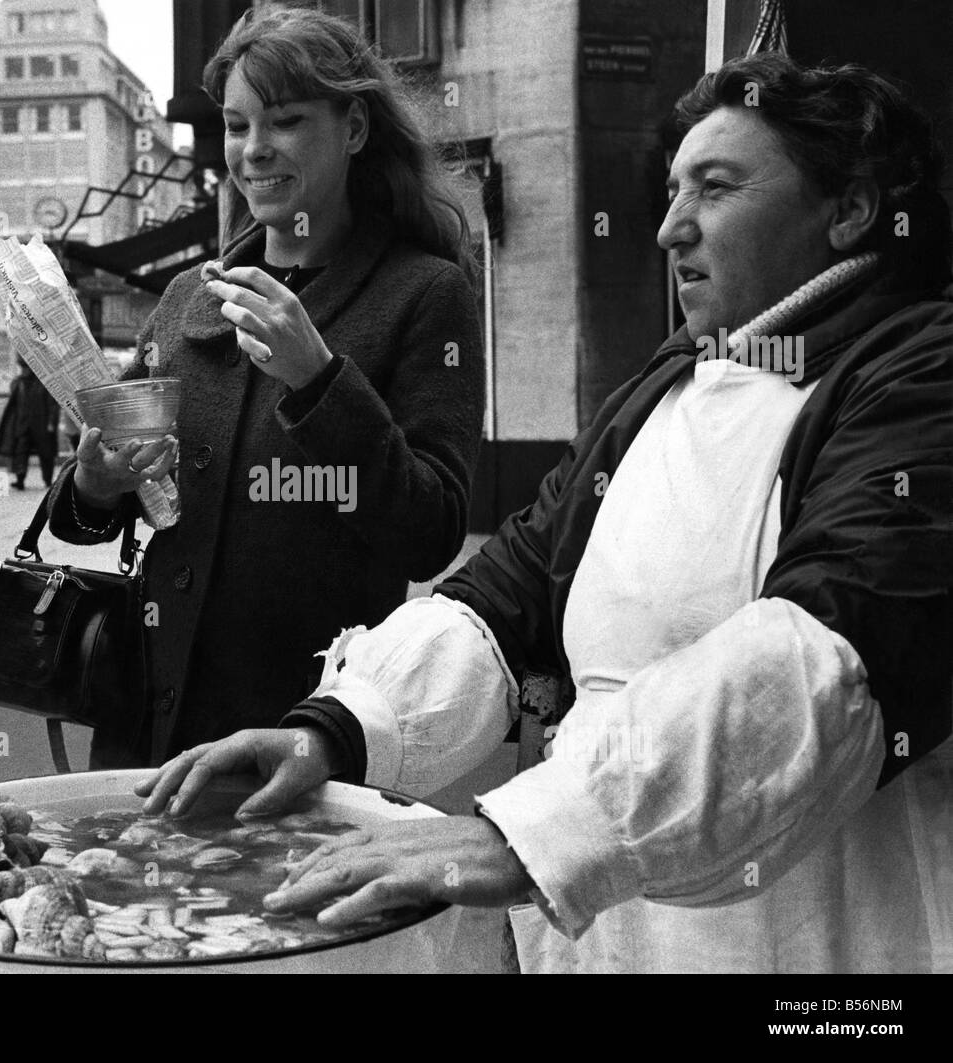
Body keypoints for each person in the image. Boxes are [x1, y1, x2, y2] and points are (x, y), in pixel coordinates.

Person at [138, 54, 953, 974]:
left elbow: (825, 655)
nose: (668, 228)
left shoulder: (924, 374)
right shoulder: (665, 384)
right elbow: (505, 592)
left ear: (847, 209)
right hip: (612, 936)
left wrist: (530, 834)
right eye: (673, 189)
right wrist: (334, 727)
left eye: (716, 189)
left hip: (820, 948)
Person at [45, 5, 486, 767]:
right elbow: (90, 532)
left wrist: (319, 381)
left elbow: (432, 530)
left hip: (297, 744)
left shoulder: (425, 293)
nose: (253, 151)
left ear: (352, 129)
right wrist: (91, 484)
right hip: (146, 733)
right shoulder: (188, 295)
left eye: (283, 121)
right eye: (236, 124)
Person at [0, 356, 60, 490]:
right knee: (20, 452)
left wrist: (51, 422)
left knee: (46, 454)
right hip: (22, 424)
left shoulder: (44, 383)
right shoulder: (19, 383)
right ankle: (20, 479)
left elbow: (52, 405)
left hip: (41, 425)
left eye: (26, 368)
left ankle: (47, 480)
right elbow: (14, 403)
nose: (23, 371)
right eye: (22, 368)